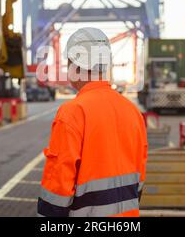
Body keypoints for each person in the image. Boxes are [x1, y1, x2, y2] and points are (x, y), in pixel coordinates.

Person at [37, 27, 148, 217]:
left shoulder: (72, 112)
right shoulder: (132, 112)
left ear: (76, 65)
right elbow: (139, 180)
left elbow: (57, 188)